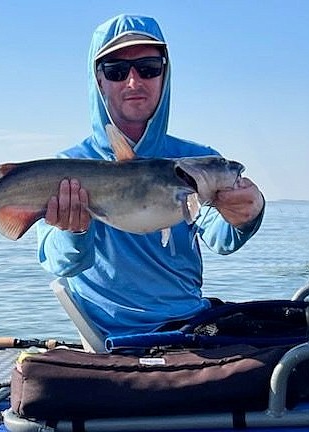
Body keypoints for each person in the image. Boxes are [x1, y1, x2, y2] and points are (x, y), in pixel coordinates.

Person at [37, 14, 265, 338]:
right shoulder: (69, 166)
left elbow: (220, 237)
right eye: (116, 71)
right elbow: (60, 264)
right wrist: (73, 232)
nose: (133, 82)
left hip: (189, 327)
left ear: (164, 74)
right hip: (110, 338)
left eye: (148, 68)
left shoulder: (197, 160)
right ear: (98, 80)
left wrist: (247, 215)